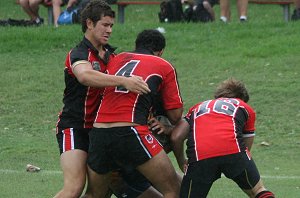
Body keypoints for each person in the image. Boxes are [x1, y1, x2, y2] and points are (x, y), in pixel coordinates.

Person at [54, 0, 151, 197]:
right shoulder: (79, 53)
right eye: (105, 25)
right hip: (75, 127)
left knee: (100, 191)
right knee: (74, 187)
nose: (109, 30)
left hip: (101, 132)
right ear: (89, 23)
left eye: (111, 26)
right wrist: (123, 81)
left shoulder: (112, 55)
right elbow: (85, 76)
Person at [85, 29, 184, 198]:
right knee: (173, 189)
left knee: (96, 194)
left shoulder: (116, 59)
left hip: (98, 132)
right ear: (160, 52)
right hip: (130, 132)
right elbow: (175, 116)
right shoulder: (163, 65)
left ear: (136, 46)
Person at [171, 78, 275, 198]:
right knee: (258, 190)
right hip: (234, 151)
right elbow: (247, 145)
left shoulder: (197, 108)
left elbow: (176, 137)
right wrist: (237, 165)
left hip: (200, 155)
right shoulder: (244, 107)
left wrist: (181, 162)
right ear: (241, 98)